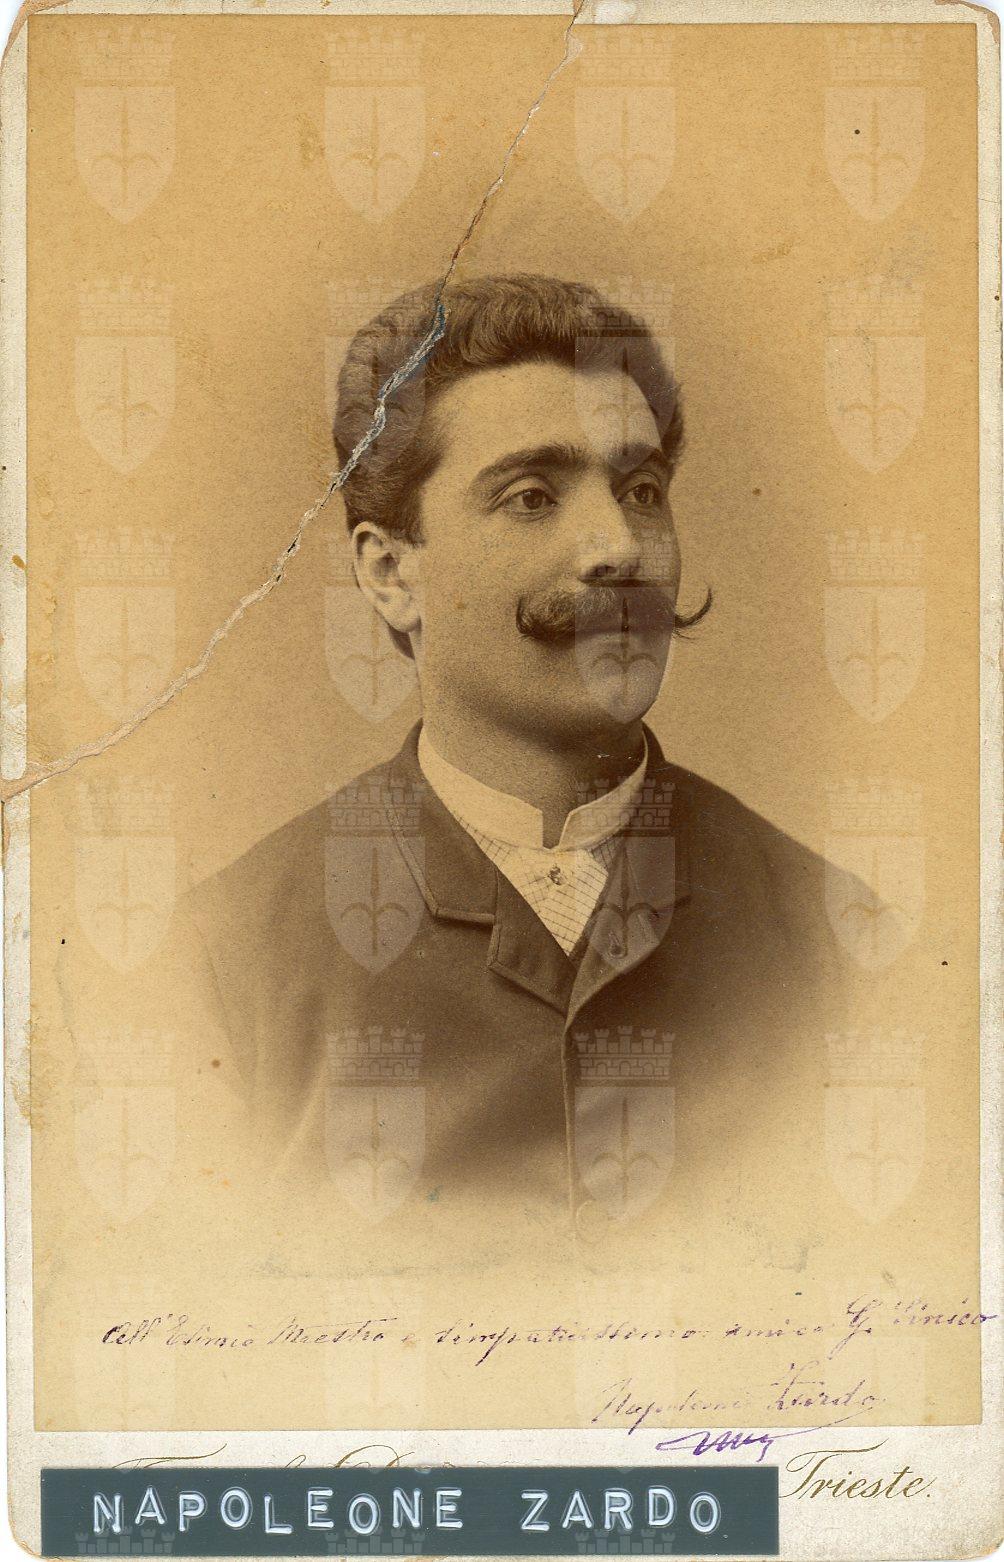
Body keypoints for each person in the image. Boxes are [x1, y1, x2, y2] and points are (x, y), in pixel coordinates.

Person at [173, 274, 865, 1266]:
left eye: (641, 492)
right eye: (532, 497)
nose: (619, 548)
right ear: (389, 572)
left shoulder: (847, 946)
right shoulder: (220, 960)